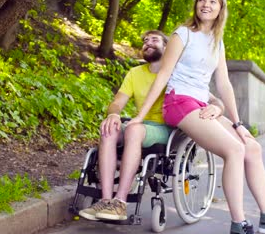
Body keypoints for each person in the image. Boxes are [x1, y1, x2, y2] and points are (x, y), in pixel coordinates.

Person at [128, 0, 265, 234]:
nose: (206, 5)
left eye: (212, 2)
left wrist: (238, 122)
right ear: (196, 5)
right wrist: (140, 116)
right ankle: (239, 226)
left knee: (251, 147)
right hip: (178, 102)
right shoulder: (182, 34)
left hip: (200, 105)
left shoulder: (217, 42)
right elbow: (163, 76)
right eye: (202, 0)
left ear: (221, 9)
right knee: (234, 150)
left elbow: (224, 84)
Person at [79, 30, 225, 221]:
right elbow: (117, 102)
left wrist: (218, 108)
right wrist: (114, 114)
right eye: (145, 40)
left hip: (167, 129)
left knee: (133, 129)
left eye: (154, 40)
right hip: (139, 124)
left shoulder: (178, 73)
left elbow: (214, 100)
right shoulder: (135, 73)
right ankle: (106, 201)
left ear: (167, 47)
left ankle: (120, 203)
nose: (148, 43)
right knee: (109, 129)